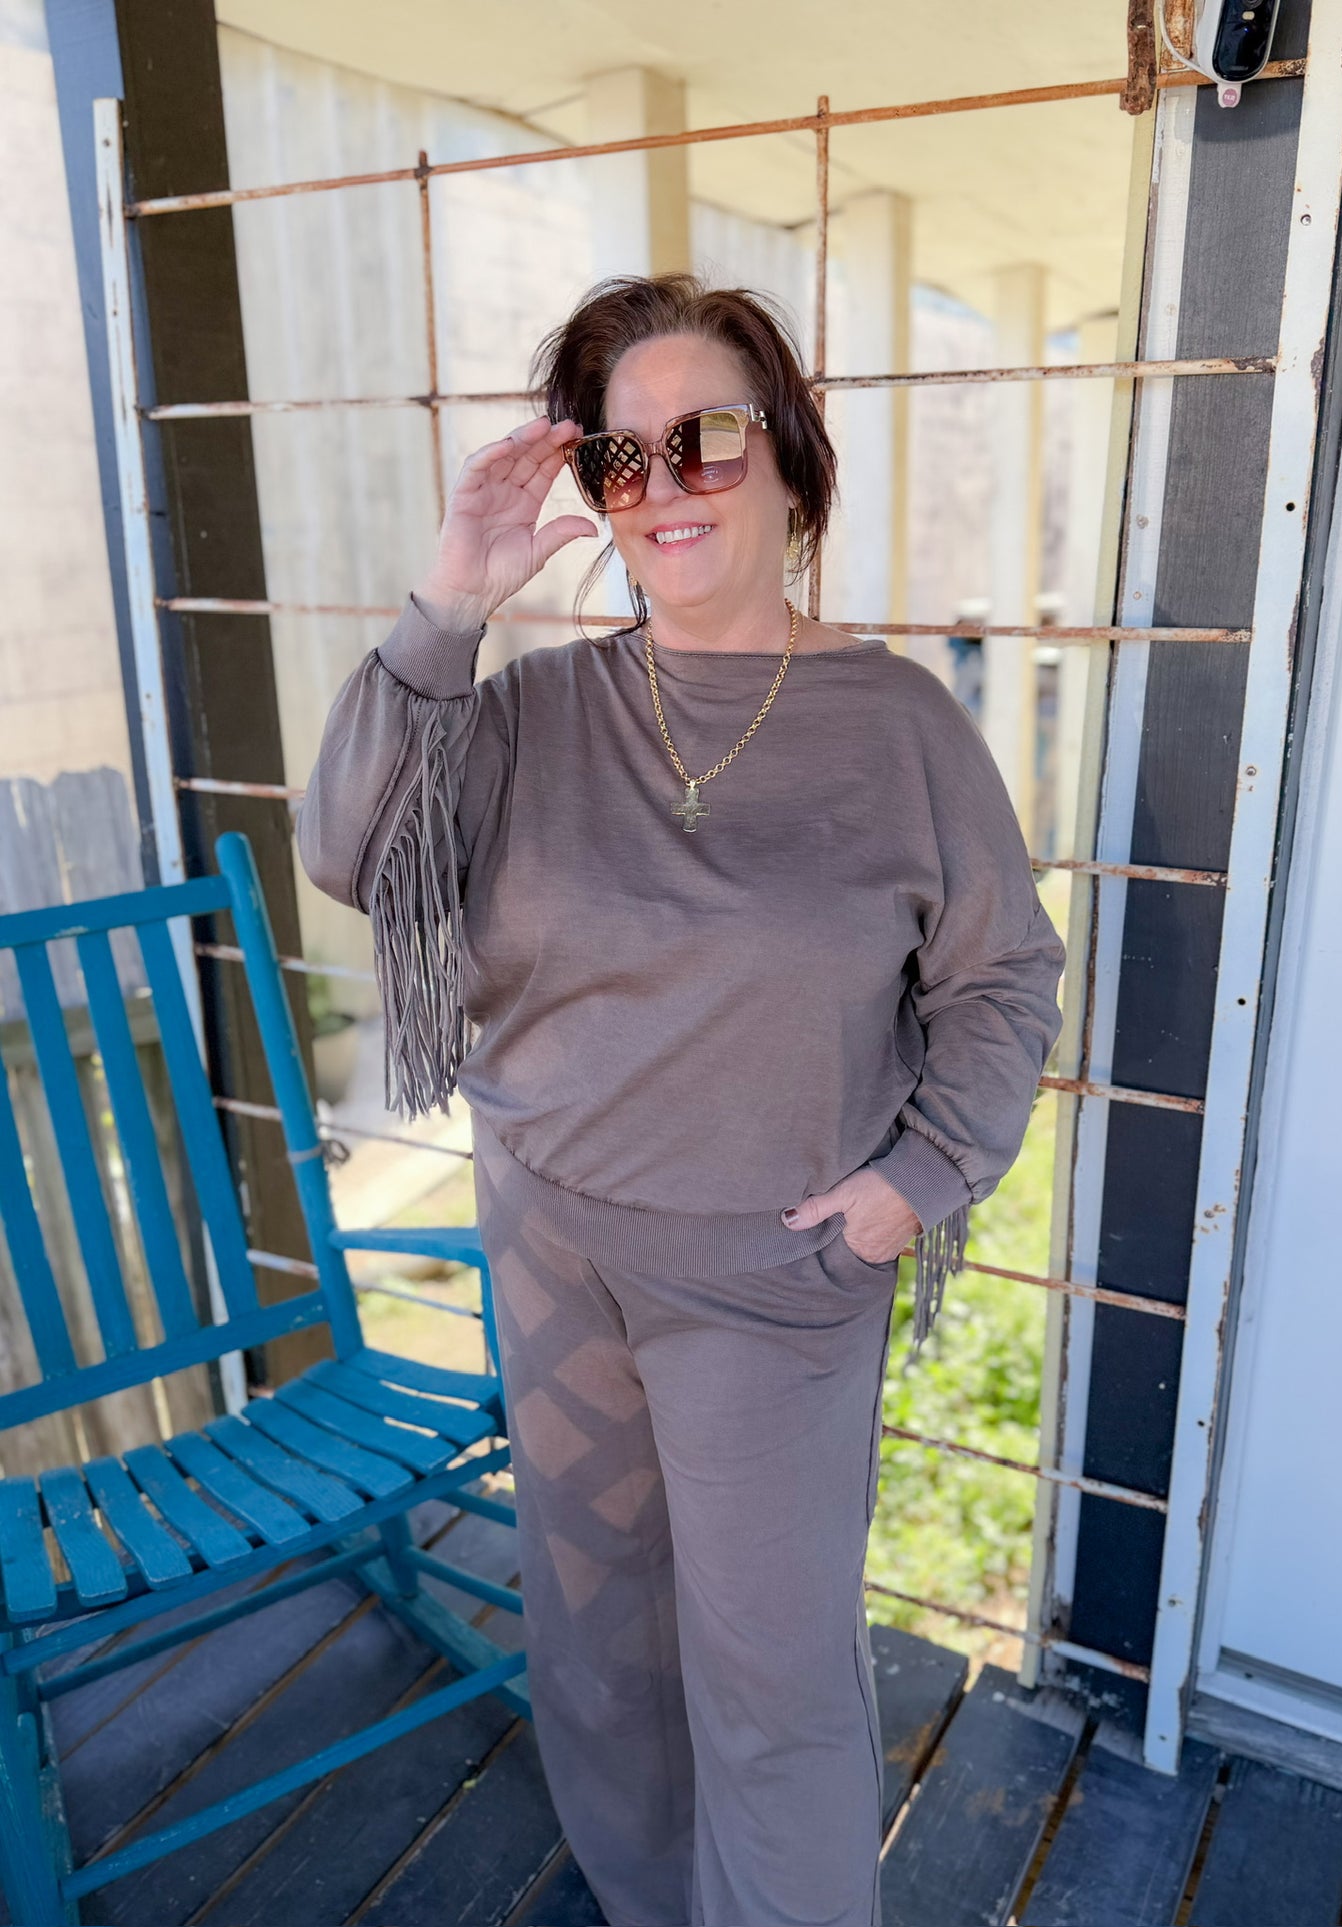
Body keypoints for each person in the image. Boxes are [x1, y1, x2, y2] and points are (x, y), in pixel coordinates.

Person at [297, 271, 1066, 1927]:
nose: (659, 490)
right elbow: (352, 851)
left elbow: (1004, 980)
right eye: (621, 462)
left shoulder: (901, 729)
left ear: (787, 459)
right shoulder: (525, 714)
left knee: (771, 1684)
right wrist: (452, 596)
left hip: (773, 1273)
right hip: (552, 1237)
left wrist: (917, 1178)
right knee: (596, 1640)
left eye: (702, 443)